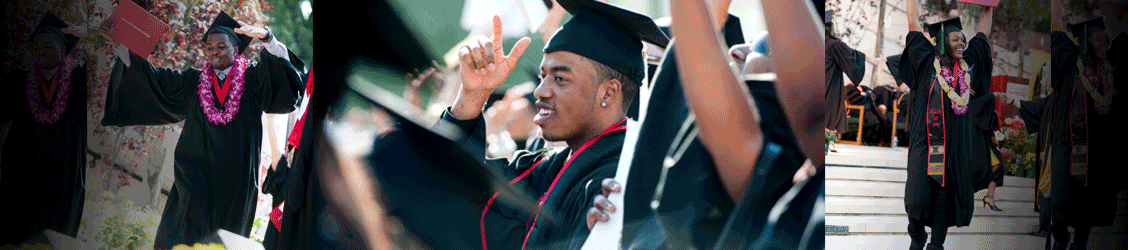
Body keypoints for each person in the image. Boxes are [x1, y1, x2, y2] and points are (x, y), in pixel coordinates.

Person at [440, 0, 669, 248]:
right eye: (542, 76)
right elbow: (453, 190)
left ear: (608, 93)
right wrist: (473, 95)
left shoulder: (619, 181)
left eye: (559, 78)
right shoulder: (546, 165)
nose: (540, 91)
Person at [98, 11, 307, 248]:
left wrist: (268, 38)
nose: (214, 51)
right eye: (209, 47)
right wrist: (123, 45)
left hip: (234, 181)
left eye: (221, 46)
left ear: (236, 50)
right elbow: (155, 81)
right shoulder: (194, 81)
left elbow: (285, 81)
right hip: (194, 173)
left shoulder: (253, 79)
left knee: (221, 239)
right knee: (185, 230)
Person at [1010, 2, 1125, 248]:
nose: (1103, 41)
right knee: (1059, 206)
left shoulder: (1109, 69)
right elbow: (1057, 29)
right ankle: (1060, 237)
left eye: (1105, 38)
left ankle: (1078, 245)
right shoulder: (1069, 62)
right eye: (1097, 37)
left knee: (1088, 208)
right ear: (1084, 39)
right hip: (1067, 148)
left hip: (1097, 153)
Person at [899, 0, 996, 248]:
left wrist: (988, 7)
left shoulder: (968, 68)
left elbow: (983, 36)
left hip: (954, 151)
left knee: (944, 203)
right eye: (955, 39)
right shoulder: (925, 62)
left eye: (963, 39)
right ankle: (916, 233)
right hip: (925, 146)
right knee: (916, 200)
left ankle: (936, 245)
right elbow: (912, 24)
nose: (961, 43)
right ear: (943, 41)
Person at [0, 12, 88, 244]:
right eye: (37, 47)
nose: (41, 51)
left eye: (48, 46)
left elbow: (117, 74)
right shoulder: (20, 81)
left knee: (51, 239)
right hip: (24, 175)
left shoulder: (78, 80)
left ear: (63, 49)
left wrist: (108, 35)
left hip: (62, 177)